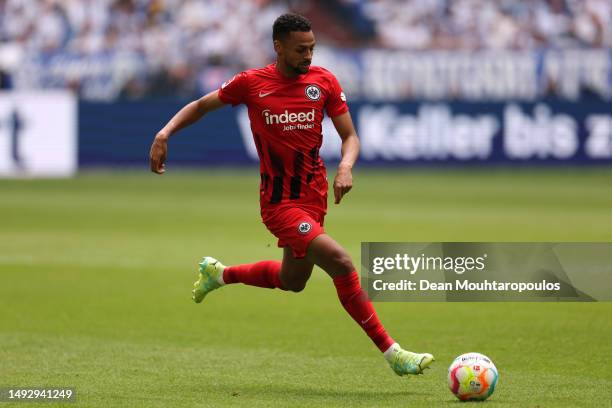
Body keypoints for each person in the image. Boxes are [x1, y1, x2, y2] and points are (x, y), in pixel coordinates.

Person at [149, 13, 434, 376]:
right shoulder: (252, 83)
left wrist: (346, 166)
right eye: (301, 49)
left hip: (314, 197)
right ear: (278, 47)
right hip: (279, 203)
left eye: (312, 48)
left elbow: (351, 137)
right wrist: (164, 133)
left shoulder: (324, 82)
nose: (308, 56)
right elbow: (202, 106)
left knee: (293, 281)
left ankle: (219, 275)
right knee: (342, 263)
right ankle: (394, 354)